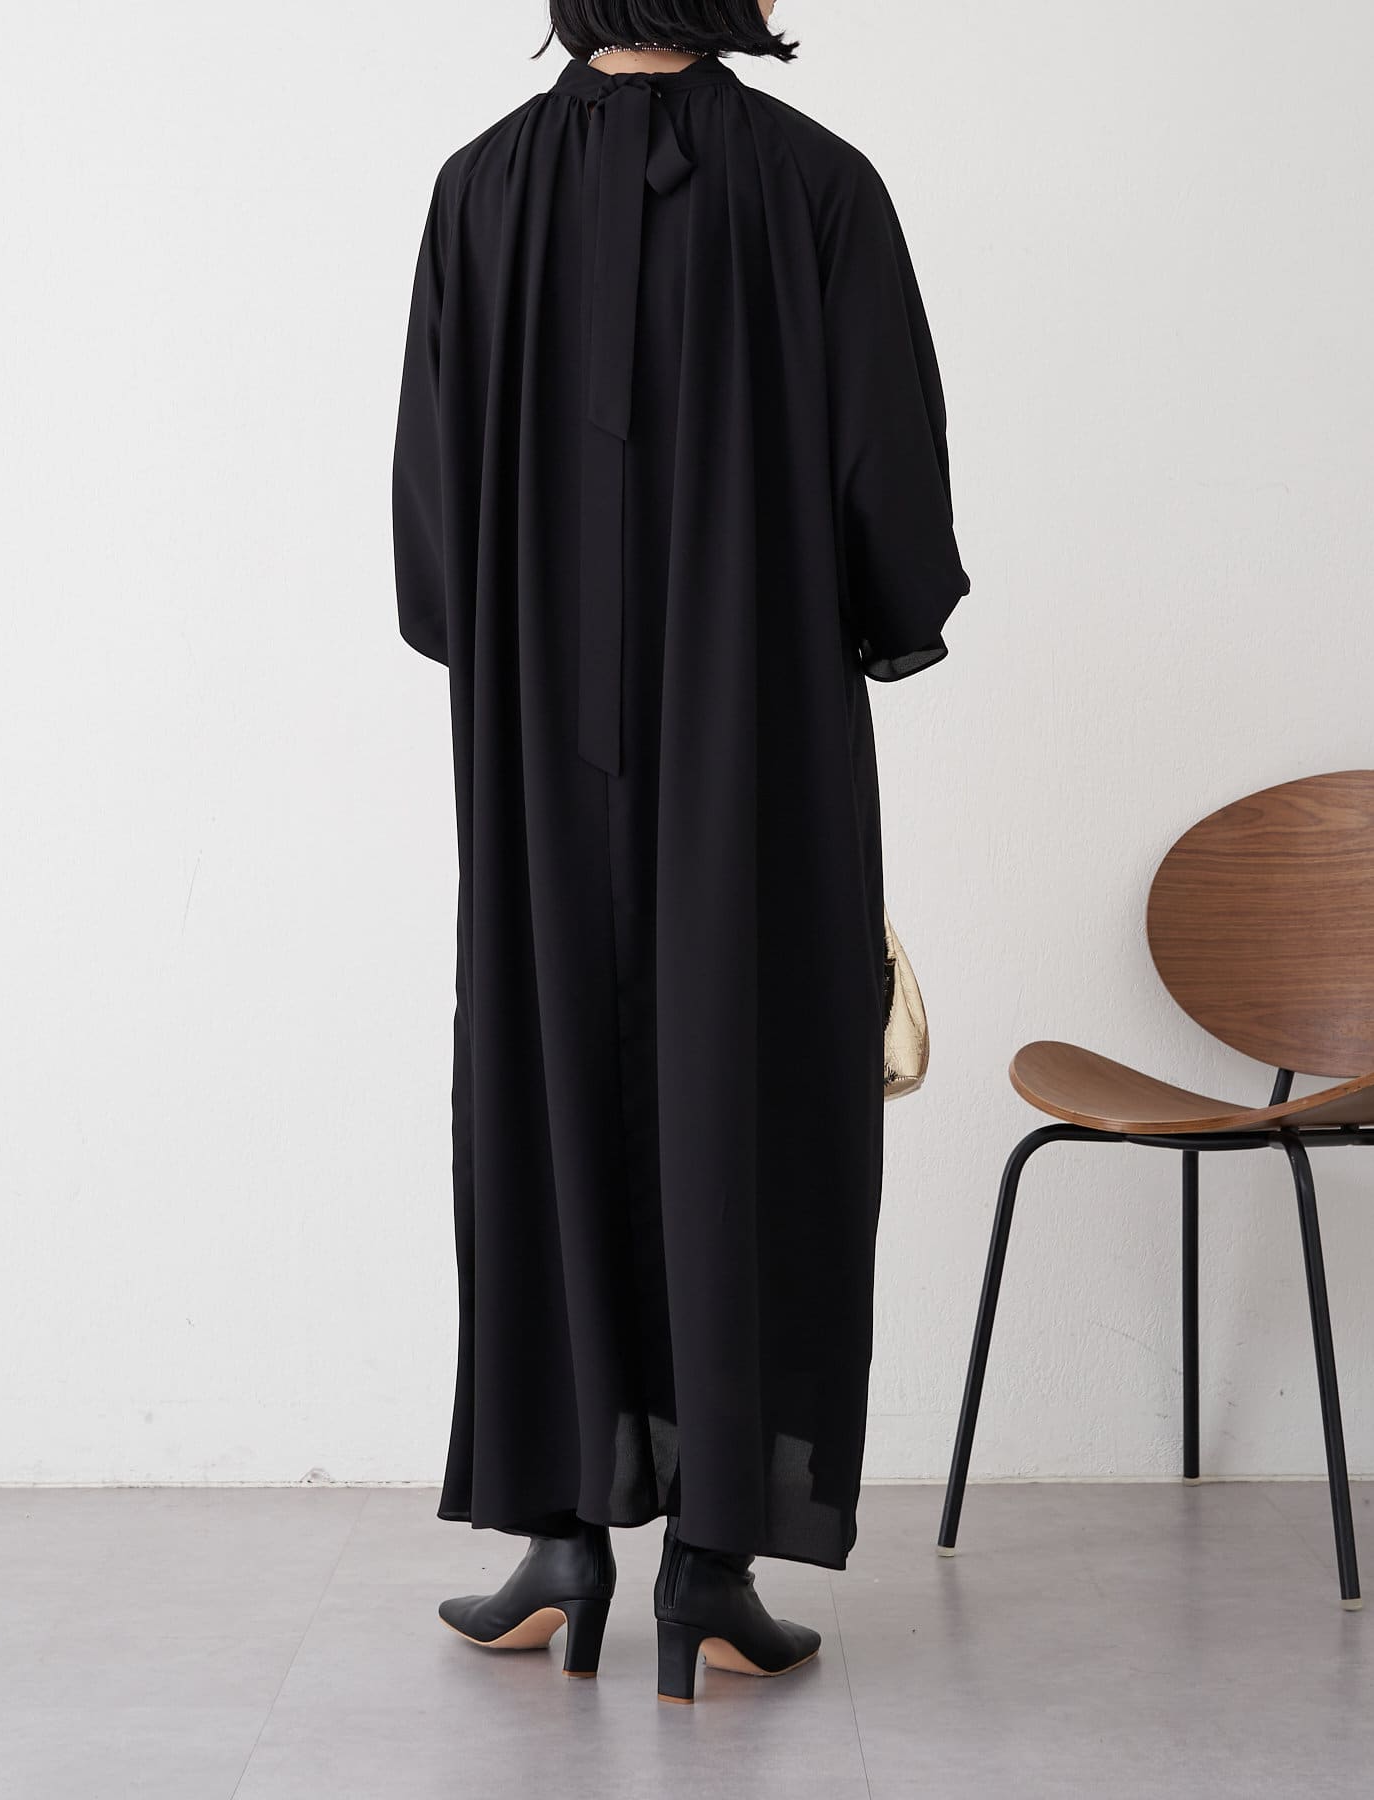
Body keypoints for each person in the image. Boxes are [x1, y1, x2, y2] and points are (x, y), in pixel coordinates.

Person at [391, 1, 970, 1704]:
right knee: (752, 1093)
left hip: (535, 739)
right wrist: (849, 614)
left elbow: (434, 536)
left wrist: (533, 638)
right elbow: (893, 504)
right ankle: (711, 1564)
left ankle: (562, 1540)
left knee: (547, 1089)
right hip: (757, 728)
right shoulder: (818, 187)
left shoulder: (480, 191)